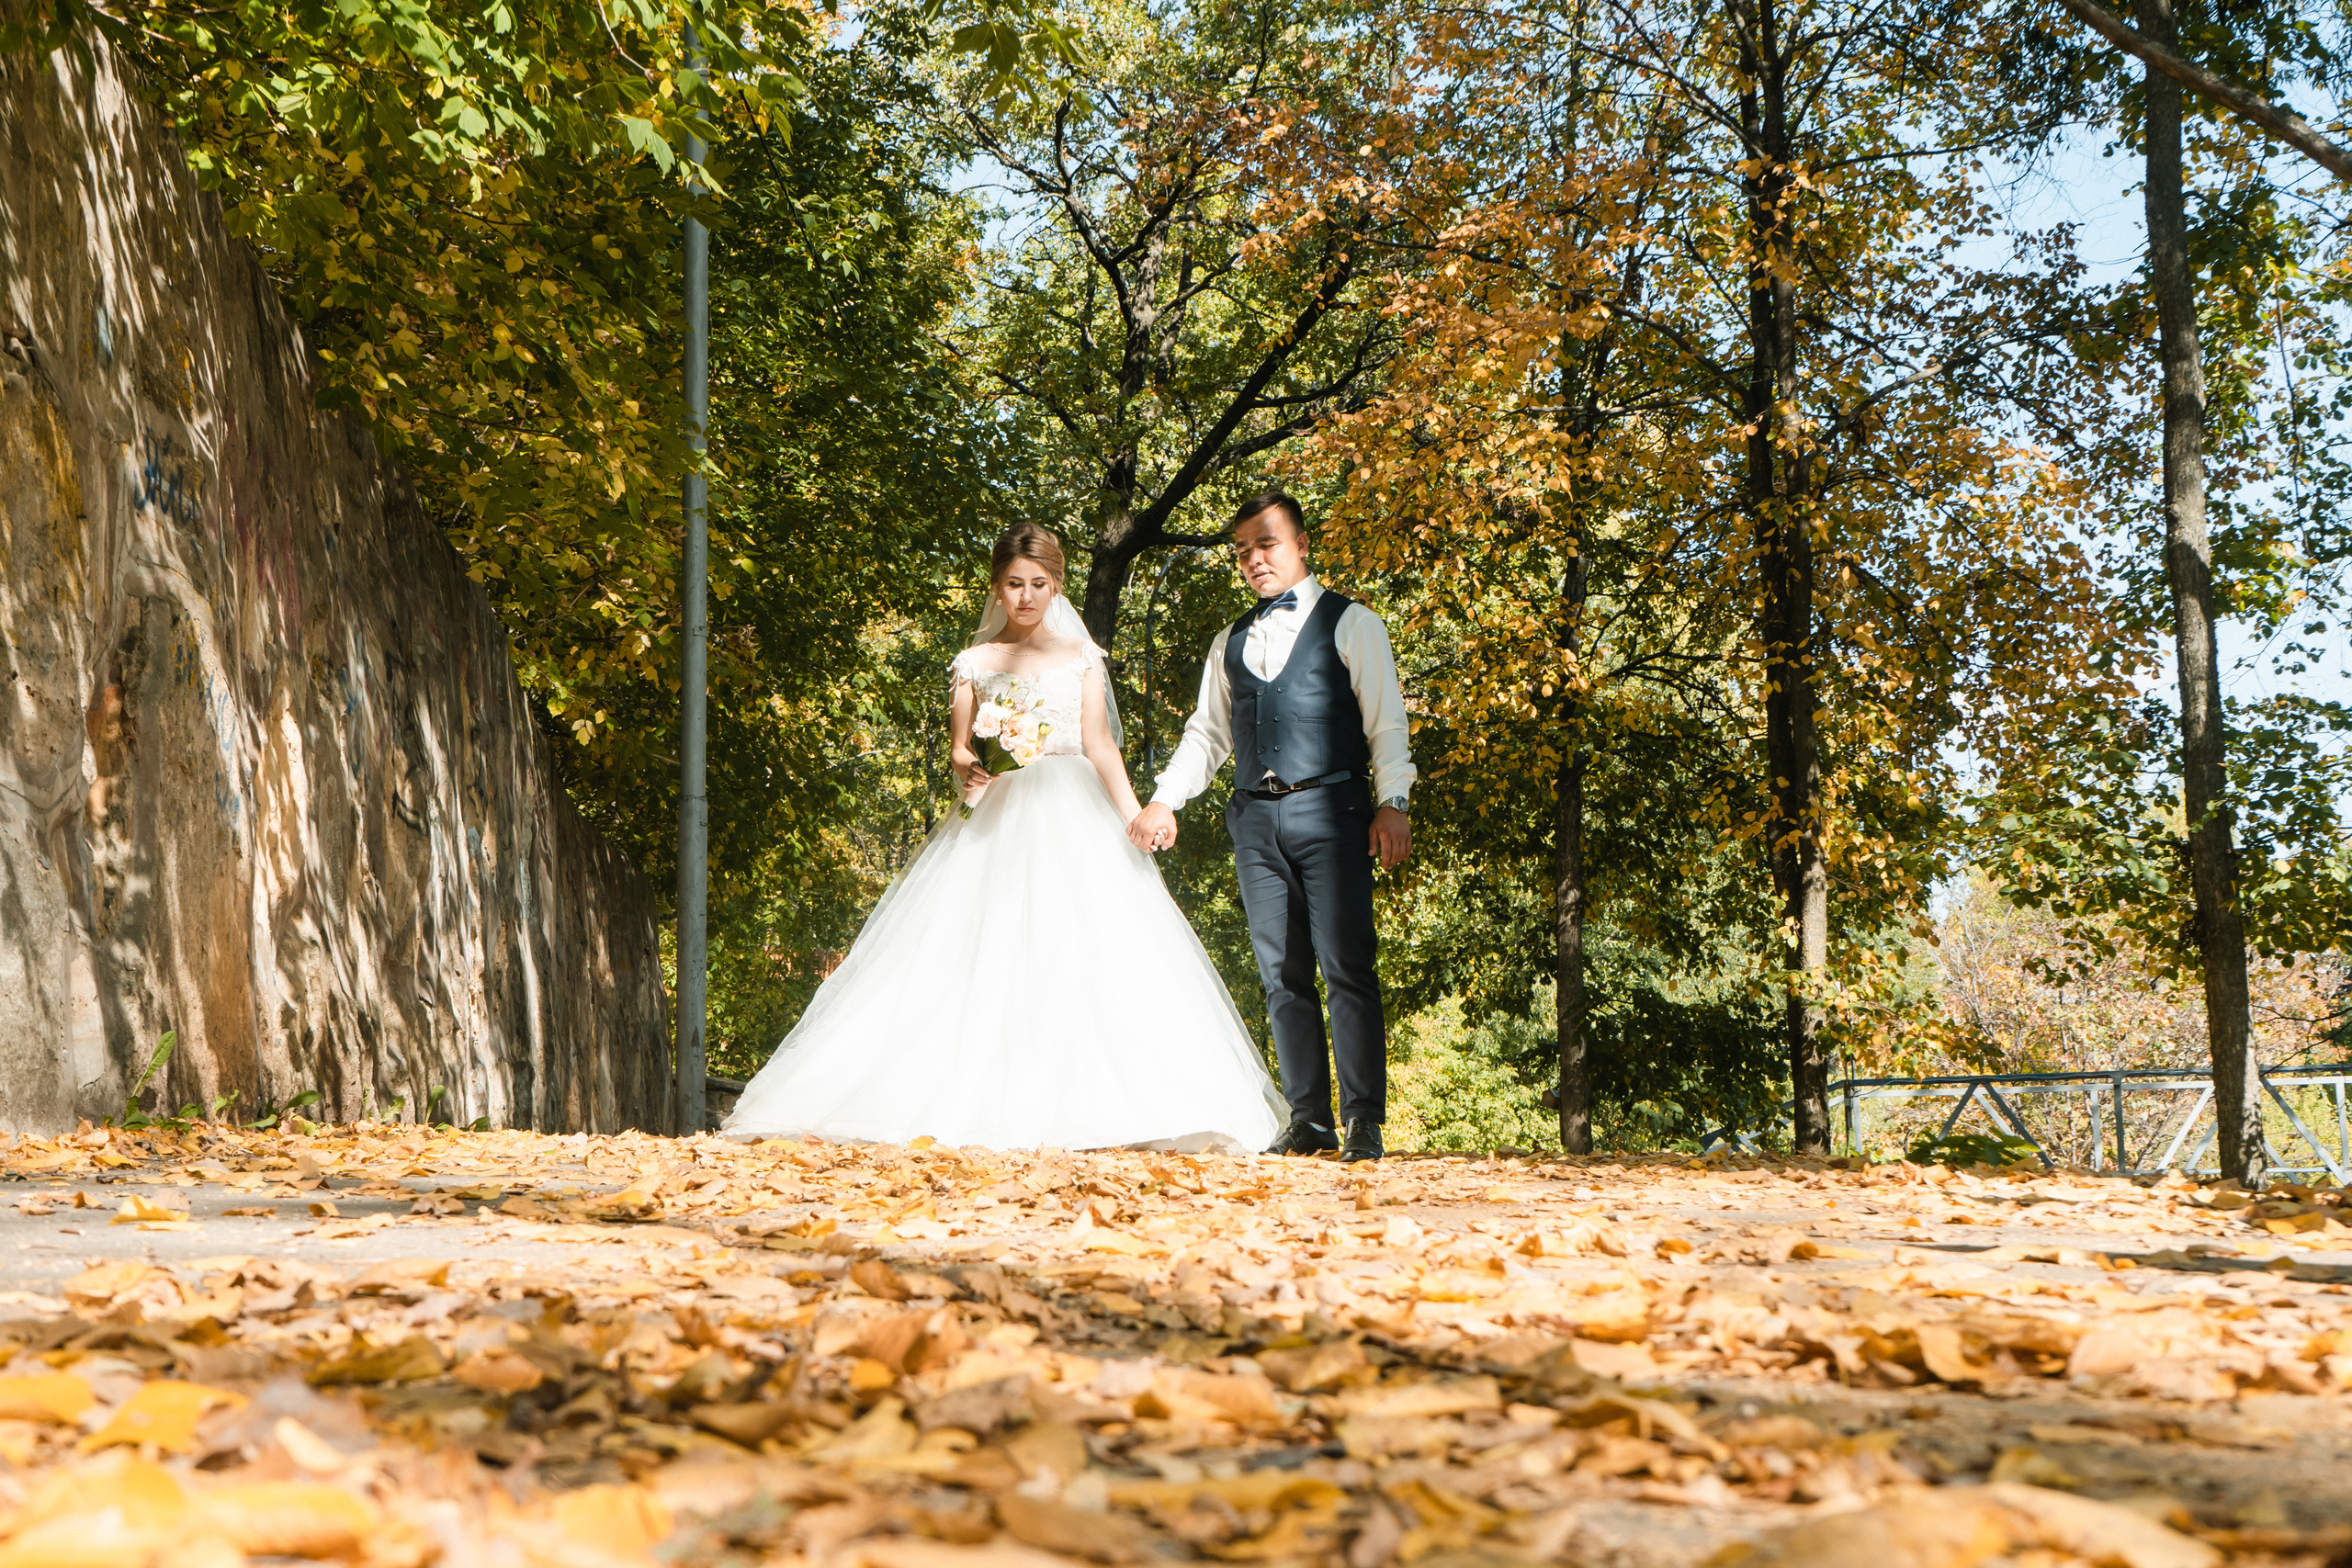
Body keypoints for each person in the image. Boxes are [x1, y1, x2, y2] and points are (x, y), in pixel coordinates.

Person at [721, 523, 1284, 1153]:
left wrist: (1139, 813)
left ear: (1056, 585)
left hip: (1075, 812)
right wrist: (970, 762)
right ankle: (983, 1100)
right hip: (1001, 813)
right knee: (979, 950)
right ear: (997, 587)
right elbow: (962, 751)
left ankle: (1105, 1103)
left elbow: (1100, 744)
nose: (1026, 596)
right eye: (1014, 584)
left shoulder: (1082, 657)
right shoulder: (975, 663)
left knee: (1091, 948)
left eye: (1038, 584)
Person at [1126, 492, 1414, 1163]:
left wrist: (1393, 800)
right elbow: (1207, 735)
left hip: (1333, 812)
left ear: (1302, 543)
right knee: (1282, 974)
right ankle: (1309, 1121)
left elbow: (1386, 722)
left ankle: (1363, 1122)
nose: (1256, 558)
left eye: (1269, 543)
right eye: (1244, 550)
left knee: (1347, 965)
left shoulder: (1354, 623)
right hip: (1255, 818)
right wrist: (1165, 799)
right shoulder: (1229, 641)